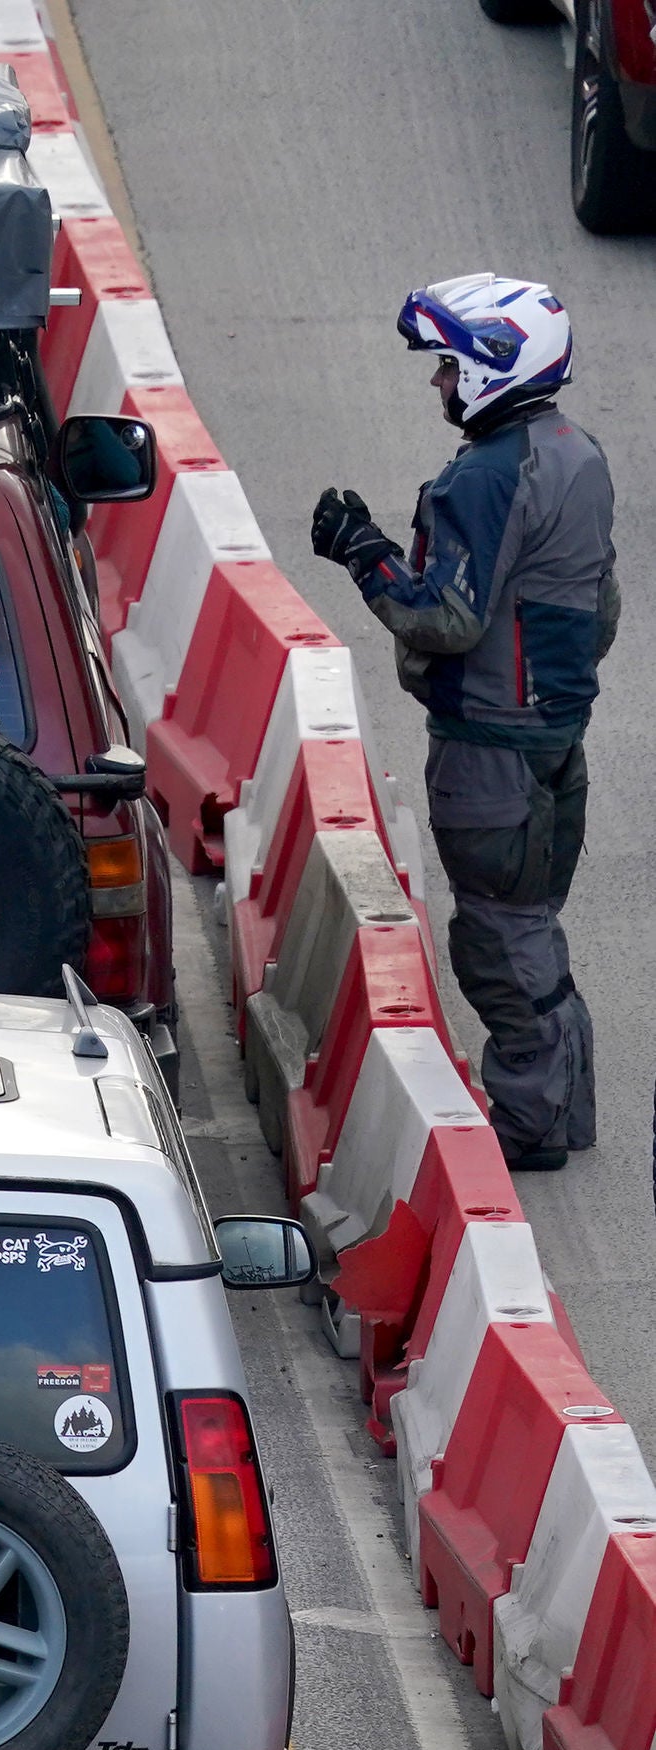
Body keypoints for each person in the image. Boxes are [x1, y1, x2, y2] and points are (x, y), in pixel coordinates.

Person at [311, 274, 616, 1172]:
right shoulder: (579, 453)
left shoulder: (483, 478)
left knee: (494, 935)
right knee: (529, 921)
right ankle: (564, 1109)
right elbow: (601, 608)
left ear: (493, 366)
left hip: (490, 752)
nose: (438, 384)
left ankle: (528, 1124)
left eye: (447, 367)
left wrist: (361, 553)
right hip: (556, 738)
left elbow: (446, 619)